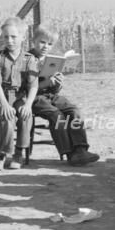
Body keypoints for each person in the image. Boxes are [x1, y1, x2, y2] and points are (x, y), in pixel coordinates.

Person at [30, 27, 99, 166]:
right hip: (34, 97)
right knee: (56, 115)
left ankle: (80, 150)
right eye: (42, 42)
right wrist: (47, 82)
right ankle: (69, 153)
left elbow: (54, 89)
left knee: (74, 111)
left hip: (50, 95)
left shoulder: (52, 59)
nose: (45, 47)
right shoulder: (28, 59)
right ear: (33, 41)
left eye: (49, 44)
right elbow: (27, 87)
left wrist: (58, 83)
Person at [0, 17, 39, 171]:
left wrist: (28, 104)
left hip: (20, 96)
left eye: (14, 37)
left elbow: (33, 84)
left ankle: (19, 153)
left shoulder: (29, 59)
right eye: (6, 37)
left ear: (23, 37)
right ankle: (2, 154)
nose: (9, 41)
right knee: (7, 117)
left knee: (25, 115)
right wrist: (4, 105)